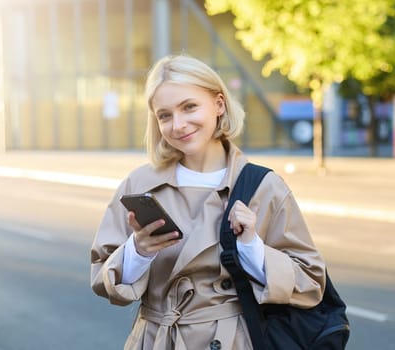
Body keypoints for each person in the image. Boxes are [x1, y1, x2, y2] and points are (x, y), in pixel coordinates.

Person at [90, 54, 326, 350]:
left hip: (231, 341)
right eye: (165, 115)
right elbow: (101, 276)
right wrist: (138, 251)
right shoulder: (139, 184)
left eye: (189, 107)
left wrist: (251, 248)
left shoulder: (262, 187)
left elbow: (310, 282)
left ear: (218, 104)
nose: (178, 124)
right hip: (155, 339)